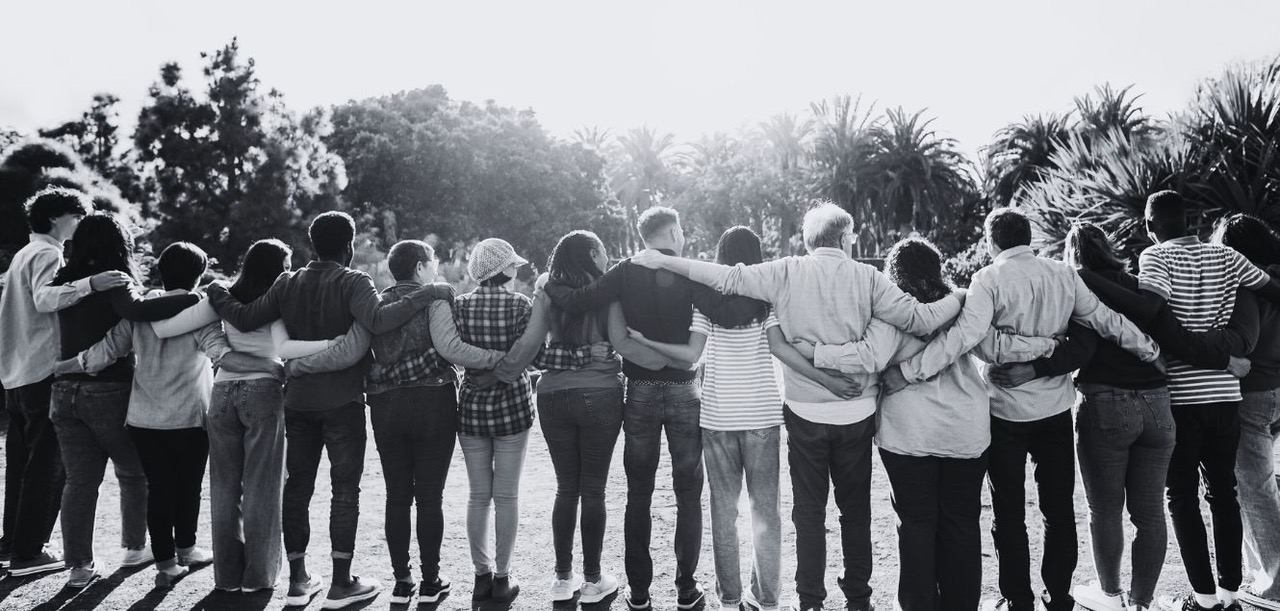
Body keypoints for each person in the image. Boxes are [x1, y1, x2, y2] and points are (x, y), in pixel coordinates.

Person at [629, 202, 968, 611]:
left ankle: (798, 599)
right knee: (850, 511)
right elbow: (918, 319)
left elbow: (726, 280)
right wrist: (964, 295)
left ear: (810, 240)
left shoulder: (783, 273)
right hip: (847, 413)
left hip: (788, 413)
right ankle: (845, 598)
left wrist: (668, 263)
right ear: (843, 238)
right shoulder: (868, 278)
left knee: (801, 512)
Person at [877, 208, 1160, 611]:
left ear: (993, 243)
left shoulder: (987, 280)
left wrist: (909, 371)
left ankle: (1017, 599)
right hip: (1056, 410)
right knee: (1059, 510)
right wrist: (1147, 348)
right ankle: (1059, 596)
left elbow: (970, 340)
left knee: (1009, 513)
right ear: (1028, 236)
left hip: (1005, 412)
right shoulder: (1063, 275)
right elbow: (1104, 319)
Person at [988, 222, 1258, 611]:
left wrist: (1034, 367)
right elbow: (1173, 336)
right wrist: (1219, 359)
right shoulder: (1141, 288)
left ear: (1072, 255)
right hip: (1158, 404)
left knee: (1105, 510)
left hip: (1107, 404)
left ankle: (1111, 597)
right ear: (1109, 247)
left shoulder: (1079, 287)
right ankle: (1142, 602)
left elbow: (1080, 349)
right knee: (1149, 512)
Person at [791, 237, 1057, 611]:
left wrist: (810, 350)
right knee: (962, 525)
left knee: (915, 526)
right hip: (965, 433)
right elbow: (995, 347)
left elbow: (869, 357)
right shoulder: (962, 306)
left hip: (907, 435)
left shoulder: (890, 312)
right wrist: (1047, 345)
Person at [205, 211, 450, 609]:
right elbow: (379, 319)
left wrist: (217, 291)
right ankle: (341, 582)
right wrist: (429, 292)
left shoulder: (287, 281)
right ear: (349, 244)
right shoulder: (354, 281)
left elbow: (246, 316)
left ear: (313, 244)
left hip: (298, 402)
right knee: (344, 491)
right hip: (343, 401)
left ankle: (299, 581)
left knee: (298, 487)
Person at [539, 208, 767, 611]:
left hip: (640, 391)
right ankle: (686, 589)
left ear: (642, 235)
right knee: (688, 492)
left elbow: (577, 301)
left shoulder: (625, 271)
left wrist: (547, 284)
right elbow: (727, 311)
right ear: (675, 232)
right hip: (683, 391)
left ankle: (640, 593)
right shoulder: (687, 271)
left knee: (638, 493)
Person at [630, 226, 868, 611]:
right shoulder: (767, 300)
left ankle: (729, 599)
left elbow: (691, 355)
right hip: (761, 416)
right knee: (766, 513)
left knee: (723, 514)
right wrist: (825, 377)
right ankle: (767, 599)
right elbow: (780, 349)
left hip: (718, 418)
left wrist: (642, 342)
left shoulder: (703, 302)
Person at [53, 242, 284, 588]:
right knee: (188, 487)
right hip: (189, 416)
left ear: (161, 270)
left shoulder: (140, 312)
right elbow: (223, 356)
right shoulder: (199, 314)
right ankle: (187, 548)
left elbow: (107, 350)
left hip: (144, 416)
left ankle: (165, 564)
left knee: (158, 488)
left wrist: (62, 366)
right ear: (199, 274)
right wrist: (277, 367)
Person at [496, 230, 696, 605]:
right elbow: (623, 344)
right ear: (591, 254)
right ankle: (592, 581)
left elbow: (528, 345)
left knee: (565, 488)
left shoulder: (547, 292)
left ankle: (561, 578)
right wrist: (674, 360)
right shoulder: (607, 292)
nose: (606, 258)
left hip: (552, 396)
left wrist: (500, 374)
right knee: (593, 490)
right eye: (603, 251)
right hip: (600, 397)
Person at [140, 238, 351, 594]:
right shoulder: (279, 299)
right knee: (263, 489)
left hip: (221, 394)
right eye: (285, 265)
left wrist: (156, 302)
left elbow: (164, 328)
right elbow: (285, 348)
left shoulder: (223, 299)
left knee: (224, 488)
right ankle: (258, 578)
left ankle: (227, 578)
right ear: (277, 268)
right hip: (263, 392)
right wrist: (331, 343)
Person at [1136, 192, 1277, 611]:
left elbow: (1153, 319)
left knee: (1181, 496)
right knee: (1224, 492)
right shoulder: (1228, 259)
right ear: (1192, 220)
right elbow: (1271, 288)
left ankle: (1204, 598)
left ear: (1149, 226)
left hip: (1180, 397)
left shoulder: (1154, 259)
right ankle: (1232, 593)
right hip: (1226, 394)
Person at [48, 212, 200, 588]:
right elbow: (138, 313)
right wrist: (196, 296)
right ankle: (135, 547)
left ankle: (80, 567)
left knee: (80, 481)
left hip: (65, 389)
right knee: (135, 472)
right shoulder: (117, 281)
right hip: (107, 388)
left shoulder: (68, 280)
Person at [362, 240, 511, 606]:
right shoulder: (435, 299)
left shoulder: (376, 305)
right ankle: (431, 581)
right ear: (419, 268)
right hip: (432, 403)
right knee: (430, 497)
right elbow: (450, 348)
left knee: (397, 496)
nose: (435, 269)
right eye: (432, 263)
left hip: (386, 406)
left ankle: (401, 582)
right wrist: (497, 358)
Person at [0, 188, 132, 577]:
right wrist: (93, 283)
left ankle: (13, 543)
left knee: (22, 463)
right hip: (43, 369)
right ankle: (29, 551)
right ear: (61, 217)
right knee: (48, 466)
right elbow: (44, 299)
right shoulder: (47, 253)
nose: (83, 224)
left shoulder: (23, 255)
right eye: (80, 216)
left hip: (16, 371)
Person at [451, 238, 541, 606]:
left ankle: (480, 575)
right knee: (507, 496)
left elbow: (454, 352)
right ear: (503, 270)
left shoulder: (459, 306)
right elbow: (533, 354)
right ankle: (502, 578)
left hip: (472, 409)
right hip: (513, 409)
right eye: (513, 266)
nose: (517, 270)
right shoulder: (522, 305)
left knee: (477, 495)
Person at [1212, 214, 1280, 611]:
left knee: (1254, 490)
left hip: (1254, 393)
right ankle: (1263, 574)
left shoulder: (1246, 285)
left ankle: (1273, 582)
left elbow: (1245, 344)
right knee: (1264, 486)